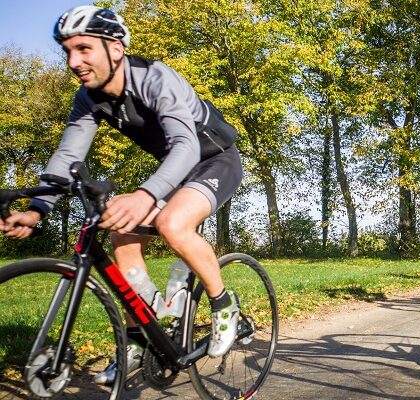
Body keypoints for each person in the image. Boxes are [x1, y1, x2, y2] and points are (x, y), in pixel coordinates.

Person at [0, 5, 242, 384]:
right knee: (119, 229)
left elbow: (186, 146)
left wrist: (145, 195)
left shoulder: (156, 78)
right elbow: (67, 157)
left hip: (214, 159)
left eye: (83, 49)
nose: (73, 62)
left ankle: (224, 305)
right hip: (175, 168)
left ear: (115, 48)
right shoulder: (88, 98)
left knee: (173, 224)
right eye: (67, 51)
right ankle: (140, 336)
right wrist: (36, 210)